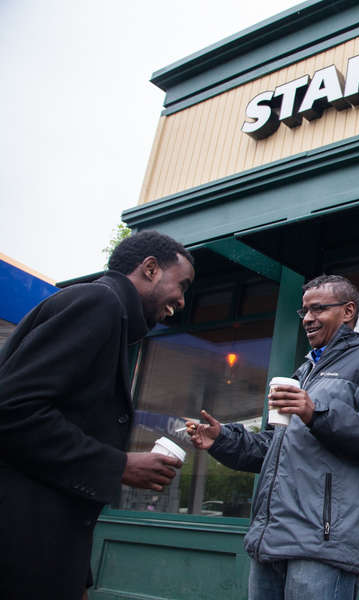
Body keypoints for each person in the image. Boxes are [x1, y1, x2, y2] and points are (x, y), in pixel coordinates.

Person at [188, 274, 359, 600]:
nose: (307, 319)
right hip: (273, 539)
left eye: (318, 309)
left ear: (348, 311)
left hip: (325, 544)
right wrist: (221, 439)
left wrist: (315, 413)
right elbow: (273, 446)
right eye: (304, 311)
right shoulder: (303, 372)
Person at [0, 230, 195, 600]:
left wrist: (76, 575)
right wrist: (118, 464)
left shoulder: (106, 311)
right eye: (181, 285)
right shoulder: (99, 304)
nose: (182, 301)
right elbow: (12, 409)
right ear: (150, 269)